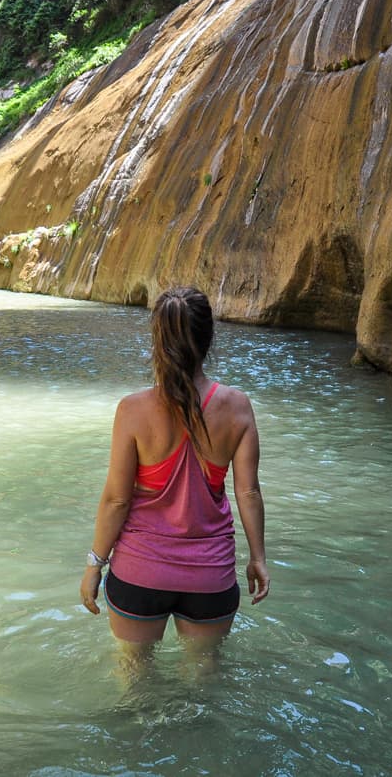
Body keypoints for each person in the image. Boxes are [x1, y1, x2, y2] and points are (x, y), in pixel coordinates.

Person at [80, 286, 269, 670]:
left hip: (139, 572)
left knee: (134, 678)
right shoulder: (237, 407)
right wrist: (258, 558)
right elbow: (247, 492)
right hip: (209, 576)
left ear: (157, 341)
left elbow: (117, 500)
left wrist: (94, 564)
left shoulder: (132, 410)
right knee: (205, 679)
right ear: (208, 338)